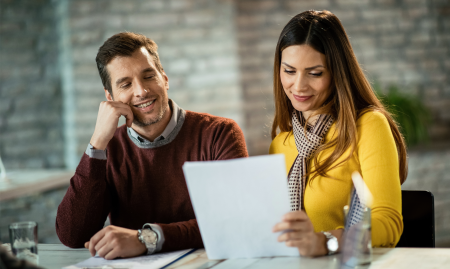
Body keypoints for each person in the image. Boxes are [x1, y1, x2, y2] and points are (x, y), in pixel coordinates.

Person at [56, 32, 248, 260]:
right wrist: (97, 144)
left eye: (148, 76)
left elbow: (235, 220)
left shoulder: (219, 133)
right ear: (110, 97)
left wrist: (147, 239)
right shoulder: (107, 149)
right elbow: (73, 235)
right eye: (126, 84)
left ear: (164, 79)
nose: (141, 91)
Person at [270, 10, 406, 257]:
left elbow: (388, 223)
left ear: (337, 72)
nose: (298, 85)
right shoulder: (281, 144)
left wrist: (325, 242)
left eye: (315, 73)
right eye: (289, 71)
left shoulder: (368, 126)